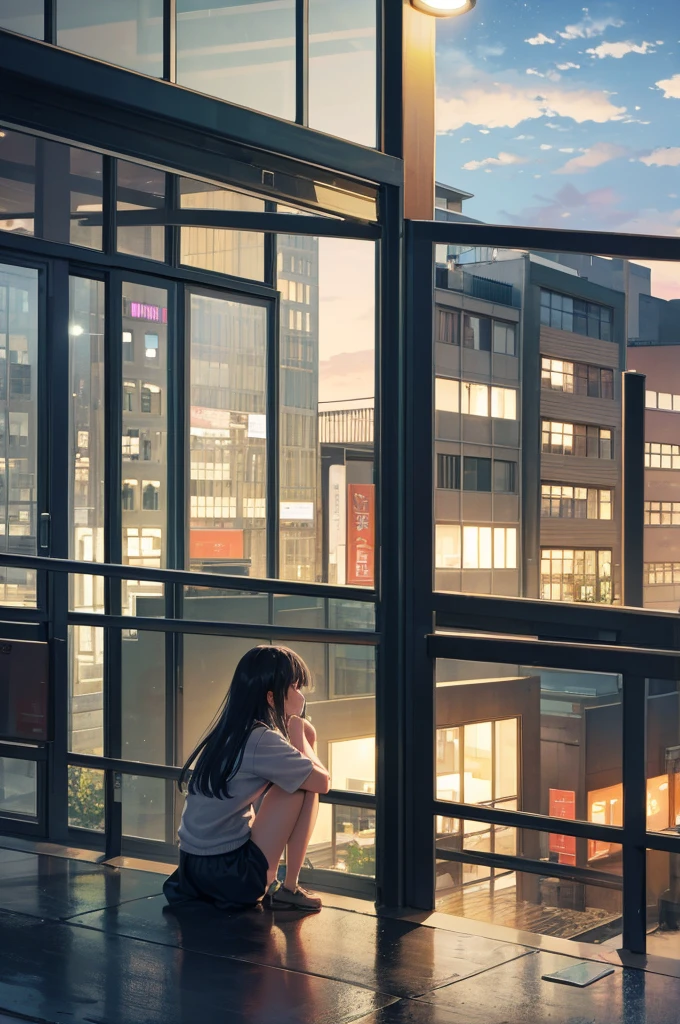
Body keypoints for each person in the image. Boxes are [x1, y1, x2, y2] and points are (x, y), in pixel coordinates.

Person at [163, 645, 330, 913]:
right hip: (229, 876)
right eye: (295, 687)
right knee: (301, 787)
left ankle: (284, 886)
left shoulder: (228, 731)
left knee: (295, 776)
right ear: (271, 698)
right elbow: (322, 782)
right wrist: (300, 731)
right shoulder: (261, 739)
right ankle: (289, 888)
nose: (301, 695)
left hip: (190, 870)